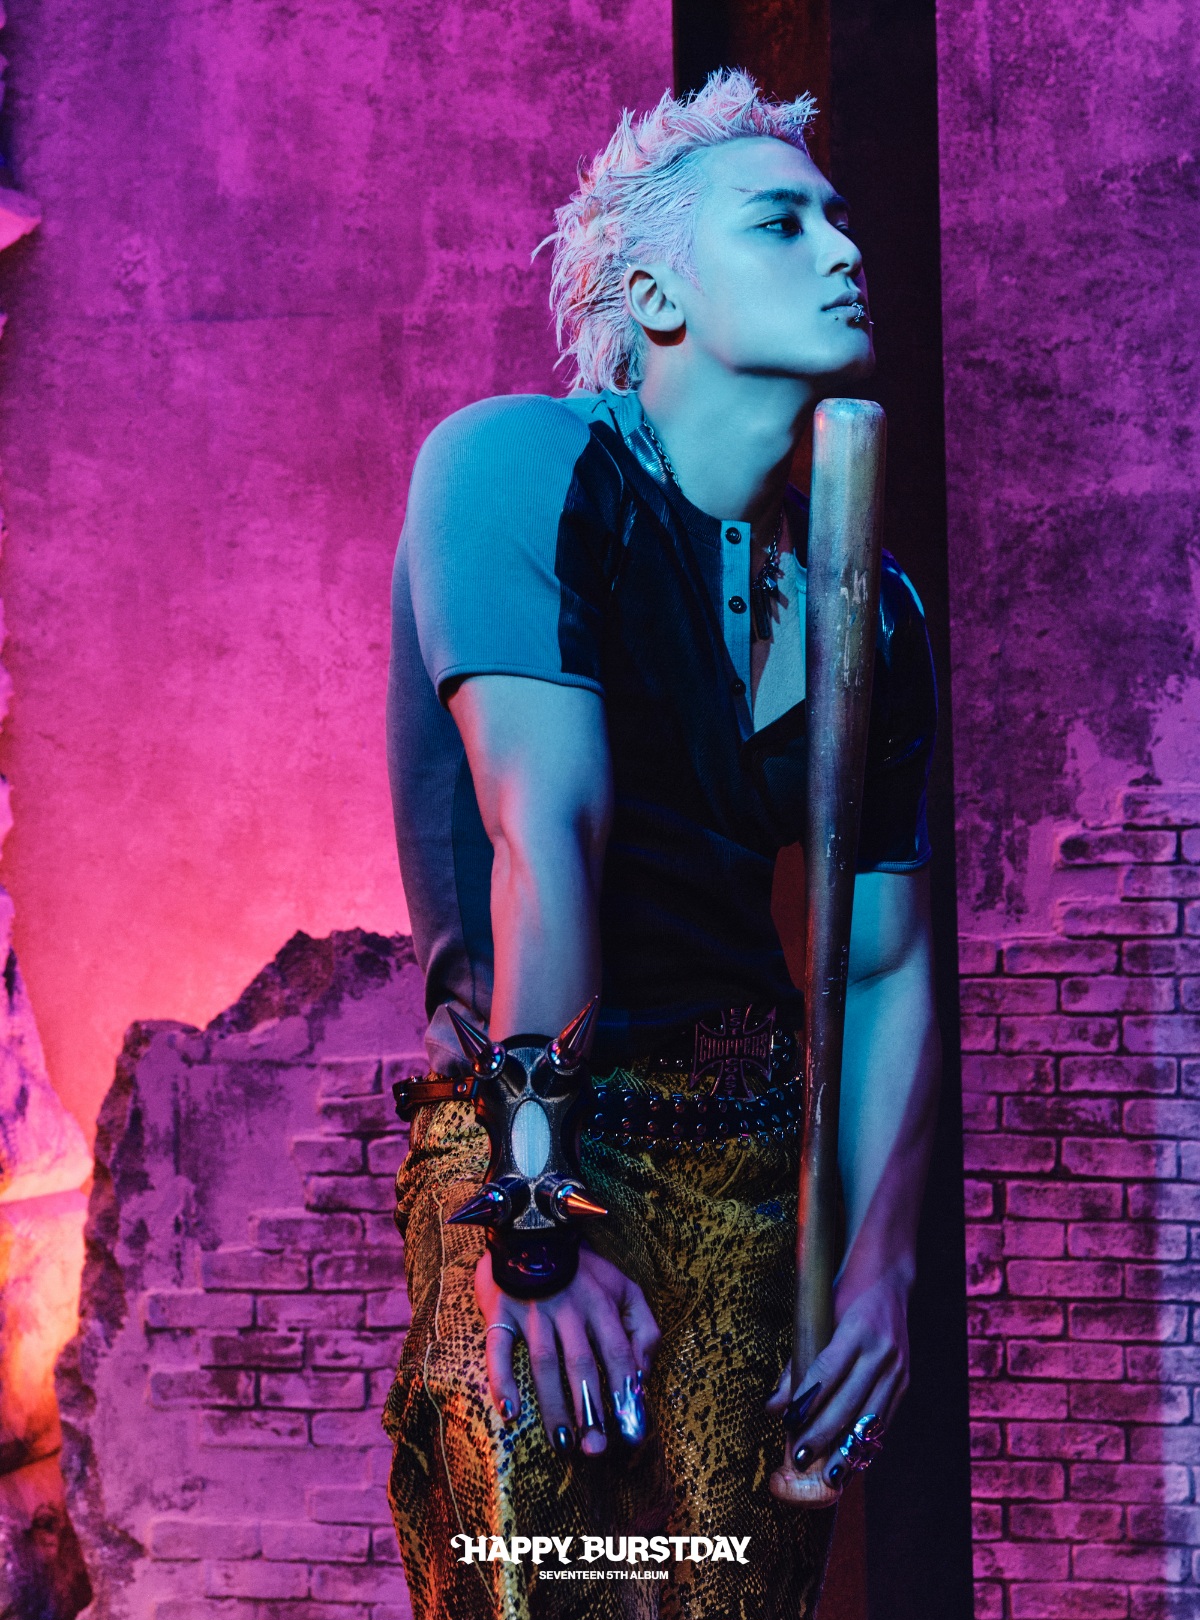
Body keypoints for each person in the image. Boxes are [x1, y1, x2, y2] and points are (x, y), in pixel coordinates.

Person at [382, 68, 941, 1620]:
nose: (844, 246)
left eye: (839, 216)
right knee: (536, 1580)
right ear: (655, 294)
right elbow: (544, 832)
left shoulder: (872, 603)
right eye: (782, 221)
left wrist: (881, 1263)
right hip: (537, 1130)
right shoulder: (518, 466)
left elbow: (886, 965)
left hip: (757, 1152)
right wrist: (537, 1218)